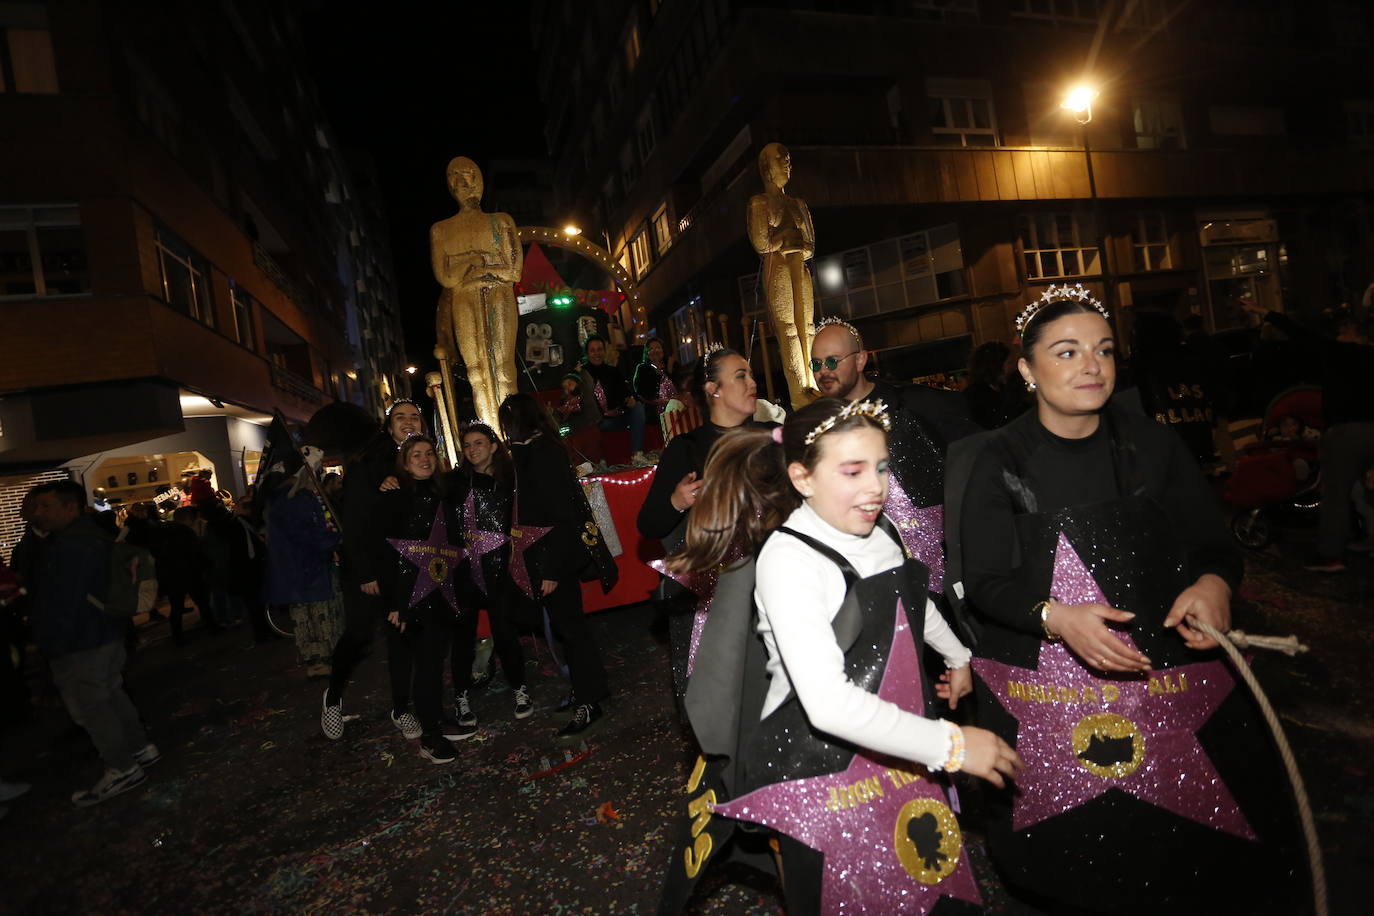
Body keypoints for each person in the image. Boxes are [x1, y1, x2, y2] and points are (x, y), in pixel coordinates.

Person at [955, 286, 1299, 912]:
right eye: (1067, 351)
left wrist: (1213, 585)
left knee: (1186, 852)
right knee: (1083, 865)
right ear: (1028, 371)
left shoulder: (1155, 446)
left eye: (1104, 350)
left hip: (1165, 687)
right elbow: (983, 581)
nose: (1091, 365)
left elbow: (1212, 547)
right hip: (1056, 703)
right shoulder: (998, 460)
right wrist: (1055, 616)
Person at [661, 398, 1019, 913]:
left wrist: (957, 655)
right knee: (841, 893)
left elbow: (912, 603)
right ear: (803, 478)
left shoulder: (880, 531)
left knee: (917, 880)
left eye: (881, 467)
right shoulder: (790, 561)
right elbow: (827, 703)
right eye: (852, 471)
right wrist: (953, 744)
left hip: (889, 738)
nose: (876, 487)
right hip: (815, 768)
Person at [636, 346, 777, 694]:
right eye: (740, 375)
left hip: (778, 590)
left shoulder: (773, 436)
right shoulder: (687, 449)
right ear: (713, 389)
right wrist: (677, 500)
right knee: (726, 702)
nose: (752, 382)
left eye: (751, 373)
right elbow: (649, 525)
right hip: (718, 602)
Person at [809, 316, 977, 596]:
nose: (823, 371)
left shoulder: (914, 403)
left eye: (833, 361)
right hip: (871, 577)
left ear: (861, 360)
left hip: (944, 573)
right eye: (816, 364)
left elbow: (977, 452)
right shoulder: (817, 428)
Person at [25, 481, 159, 807]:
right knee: (111, 693)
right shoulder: (92, 536)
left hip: (80, 640)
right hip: (104, 631)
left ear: (70, 507)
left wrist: (48, 644)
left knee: (92, 705)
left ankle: (122, 766)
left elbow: (62, 603)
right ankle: (139, 748)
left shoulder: (70, 546)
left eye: (46, 506)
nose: (38, 513)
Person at [499, 393, 613, 743]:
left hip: (555, 557)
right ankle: (587, 692)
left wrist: (550, 569)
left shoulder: (542, 453)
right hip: (549, 555)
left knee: (573, 630)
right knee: (569, 629)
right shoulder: (532, 451)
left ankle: (590, 701)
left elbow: (559, 517)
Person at [323, 400, 424, 736]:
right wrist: (365, 572)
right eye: (400, 418)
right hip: (367, 568)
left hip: (403, 567)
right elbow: (354, 522)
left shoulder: (422, 459)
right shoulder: (368, 463)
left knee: (401, 638)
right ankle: (333, 696)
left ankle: (401, 707)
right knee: (359, 636)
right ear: (388, 425)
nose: (408, 422)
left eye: (414, 417)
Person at [372, 435, 464, 762]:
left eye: (429, 453)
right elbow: (385, 555)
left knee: (435, 661)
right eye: (416, 455)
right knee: (426, 665)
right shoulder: (395, 497)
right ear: (404, 462)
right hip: (412, 597)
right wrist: (397, 604)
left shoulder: (444, 492)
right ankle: (430, 736)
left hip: (442, 592)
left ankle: (435, 719)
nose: (424, 459)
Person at [452, 423, 530, 725]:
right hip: (464, 574)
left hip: (500, 571)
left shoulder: (511, 479)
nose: (473, 449)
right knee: (462, 638)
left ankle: (520, 689)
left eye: (479, 443)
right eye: (467, 445)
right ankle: (461, 696)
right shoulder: (455, 482)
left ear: (494, 446)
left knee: (505, 633)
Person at [263, 448, 342, 677]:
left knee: (305, 616)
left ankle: (315, 660)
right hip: (310, 568)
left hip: (297, 569)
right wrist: (336, 540)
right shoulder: (298, 497)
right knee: (318, 615)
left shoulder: (282, 497)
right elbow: (309, 535)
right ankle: (320, 660)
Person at [578, 334, 650, 466]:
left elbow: (625, 393)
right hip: (596, 421)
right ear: (587, 354)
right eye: (593, 350)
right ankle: (599, 461)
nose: (597, 353)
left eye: (599, 349)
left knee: (638, 407)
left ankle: (637, 455)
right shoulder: (581, 374)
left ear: (604, 351)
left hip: (616, 418)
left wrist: (630, 399)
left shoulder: (613, 371)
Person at [158, 507, 209, 646]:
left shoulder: (163, 531)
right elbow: (195, 552)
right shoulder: (186, 532)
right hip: (188, 572)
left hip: (171, 575)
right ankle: (211, 625)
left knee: (176, 607)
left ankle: (177, 636)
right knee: (202, 600)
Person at [963, 340, 1024, 430]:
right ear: (996, 366)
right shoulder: (975, 396)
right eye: (1009, 363)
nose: (1013, 367)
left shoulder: (1008, 388)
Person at [632, 336, 676, 416]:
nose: (655, 351)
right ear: (647, 353)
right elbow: (641, 394)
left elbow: (680, 385)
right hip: (655, 414)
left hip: (676, 410)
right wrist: (663, 401)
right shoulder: (643, 368)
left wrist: (669, 371)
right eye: (651, 349)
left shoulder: (670, 364)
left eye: (658, 347)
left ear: (663, 350)